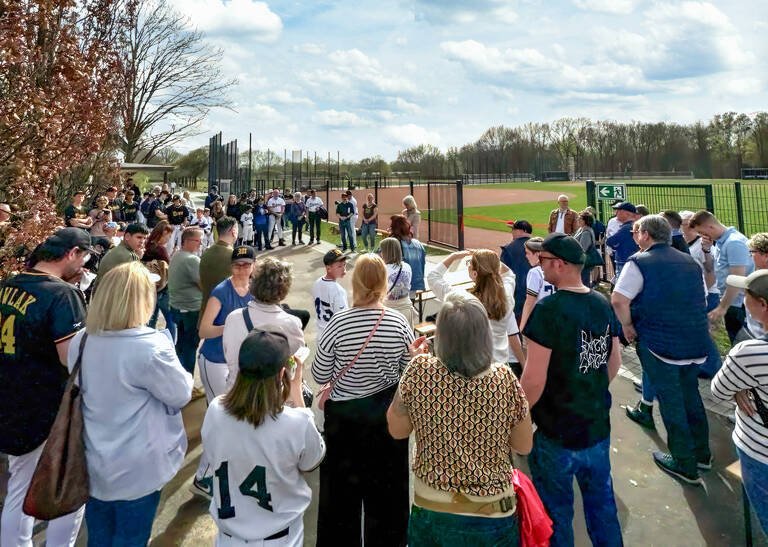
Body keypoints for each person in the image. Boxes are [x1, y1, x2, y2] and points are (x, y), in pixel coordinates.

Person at [387, 292, 533, 546]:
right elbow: (524, 445)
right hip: (493, 510)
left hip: (433, 508)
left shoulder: (420, 370)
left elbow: (397, 430)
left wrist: (414, 369)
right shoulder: (504, 379)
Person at [70, 262, 192, 546]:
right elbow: (181, 393)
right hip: (138, 467)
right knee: (131, 538)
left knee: (99, 536)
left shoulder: (82, 339)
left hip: (93, 460)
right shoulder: (150, 346)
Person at [520, 233, 623, 547]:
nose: (540, 264)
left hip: (556, 431)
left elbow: (534, 379)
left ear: (560, 264)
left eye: (544, 259)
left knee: (556, 513)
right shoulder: (601, 303)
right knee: (602, 506)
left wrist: (518, 415)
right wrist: (587, 390)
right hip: (596, 425)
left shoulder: (548, 309)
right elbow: (614, 361)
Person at [312, 254, 417, 547]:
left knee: (340, 500)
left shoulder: (338, 323)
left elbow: (320, 373)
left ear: (355, 283)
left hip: (344, 423)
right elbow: (405, 375)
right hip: (384, 422)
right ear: (383, 283)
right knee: (387, 499)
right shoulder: (397, 323)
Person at [0, 228, 92, 547]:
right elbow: (71, 358)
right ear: (72, 253)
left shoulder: (7, 285)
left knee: (19, 489)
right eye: (84, 257)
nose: (84, 266)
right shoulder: (63, 295)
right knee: (64, 488)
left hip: (10, 397)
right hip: (45, 407)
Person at [612, 215, 711, 485]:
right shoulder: (689, 261)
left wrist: (628, 326)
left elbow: (619, 300)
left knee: (671, 399)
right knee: (690, 395)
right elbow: (702, 296)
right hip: (694, 339)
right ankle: (702, 453)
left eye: (637, 232)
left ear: (645, 234)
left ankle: (684, 461)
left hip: (660, 342)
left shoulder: (639, 261)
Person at [202, 330, 325, 546]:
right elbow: (312, 461)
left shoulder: (215, 409)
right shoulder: (297, 421)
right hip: (279, 538)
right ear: (281, 374)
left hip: (228, 538)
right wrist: (296, 393)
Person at [191, 245, 256, 500]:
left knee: (232, 418)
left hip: (235, 363)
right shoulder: (221, 292)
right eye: (238, 264)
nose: (242, 269)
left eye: (246, 264)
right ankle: (203, 477)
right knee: (223, 420)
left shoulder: (254, 289)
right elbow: (204, 330)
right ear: (231, 266)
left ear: (253, 265)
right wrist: (231, 326)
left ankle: (224, 466)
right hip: (214, 361)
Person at [711, 270, 768, 535]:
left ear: (762, 305)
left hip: (759, 452)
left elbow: (719, 391)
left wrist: (739, 387)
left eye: (747, 296)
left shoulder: (750, 353)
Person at [429, 248, 525, 370]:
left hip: (474, 370)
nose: (468, 265)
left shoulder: (463, 299)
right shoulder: (506, 296)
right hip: (500, 369)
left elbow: (433, 277)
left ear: (475, 274)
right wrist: (490, 260)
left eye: (469, 264)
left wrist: (454, 256)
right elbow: (509, 274)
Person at [222, 257, 306, 390]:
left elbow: (228, 356)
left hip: (234, 394)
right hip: (270, 399)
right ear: (284, 289)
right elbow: (294, 367)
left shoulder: (233, 318)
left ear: (253, 284)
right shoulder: (291, 324)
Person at [689, 210, 755, 343]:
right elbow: (717, 269)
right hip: (733, 302)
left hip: (740, 305)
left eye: (702, 232)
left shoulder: (733, 243)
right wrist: (707, 249)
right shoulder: (720, 242)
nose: (702, 236)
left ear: (711, 227)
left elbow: (737, 279)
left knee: (743, 346)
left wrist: (722, 307)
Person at [168, 227, 203, 376]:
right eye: (197, 241)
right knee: (189, 348)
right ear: (187, 241)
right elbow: (203, 285)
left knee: (181, 346)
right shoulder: (192, 259)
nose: (200, 244)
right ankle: (187, 383)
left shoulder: (177, 255)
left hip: (177, 307)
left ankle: (178, 377)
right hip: (190, 310)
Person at [200, 216, 238, 321]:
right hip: (224, 319)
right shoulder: (233, 256)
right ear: (233, 231)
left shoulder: (206, 253)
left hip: (205, 315)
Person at [143, 220, 176, 340]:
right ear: (163, 233)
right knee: (171, 320)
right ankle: (171, 344)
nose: (169, 238)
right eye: (168, 235)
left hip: (150, 287)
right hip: (163, 288)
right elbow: (168, 267)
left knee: (151, 319)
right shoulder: (160, 249)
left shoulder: (147, 245)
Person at [519, 237, 556, 332]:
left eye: (528, 253)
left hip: (539, 322)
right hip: (555, 320)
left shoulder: (535, 272)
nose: (526, 256)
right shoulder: (555, 270)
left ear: (538, 254)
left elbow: (530, 302)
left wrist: (522, 326)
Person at [501, 220, 533, 324]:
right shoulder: (541, 245)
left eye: (513, 230)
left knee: (517, 327)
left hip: (518, 297)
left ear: (521, 231)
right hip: (539, 296)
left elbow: (502, 274)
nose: (512, 233)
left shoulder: (509, 248)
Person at [380, 238, 416, 327]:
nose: (381, 254)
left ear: (386, 252)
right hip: (406, 308)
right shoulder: (407, 266)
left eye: (382, 251)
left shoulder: (382, 269)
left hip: (389, 310)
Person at [312, 249, 349, 336]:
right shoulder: (338, 291)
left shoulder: (317, 282)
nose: (344, 269)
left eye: (344, 265)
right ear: (329, 268)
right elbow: (343, 320)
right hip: (333, 336)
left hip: (320, 333)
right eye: (339, 266)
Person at [390, 215, 426, 298]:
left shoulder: (394, 243)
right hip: (414, 285)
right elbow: (422, 265)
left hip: (398, 288)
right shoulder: (418, 244)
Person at [605, 201, 639, 281]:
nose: (616, 213)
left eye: (619, 211)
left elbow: (610, 241)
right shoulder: (634, 225)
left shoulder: (626, 227)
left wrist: (615, 245)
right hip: (632, 259)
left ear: (625, 213)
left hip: (624, 260)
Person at [574, 211, 597, 287]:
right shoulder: (581, 229)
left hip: (583, 262)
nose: (578, 220)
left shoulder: (586, 232)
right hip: (581, 262)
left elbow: (583, 249)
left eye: (580, 219)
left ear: (586, 220)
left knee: (583, 284)